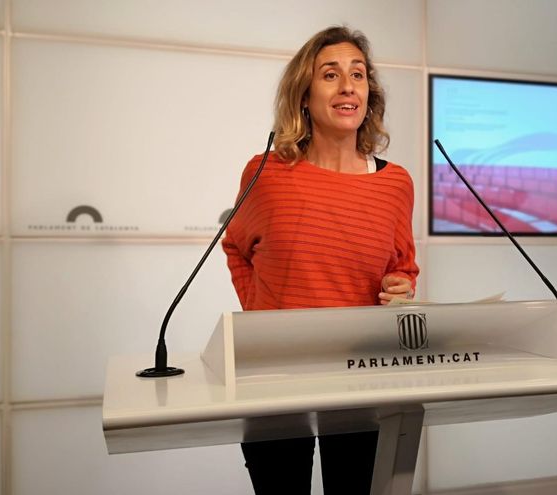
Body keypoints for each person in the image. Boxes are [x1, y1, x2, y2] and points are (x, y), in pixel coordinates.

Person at [221, 26, 420, 494]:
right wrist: (266, 315)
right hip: (274, 371)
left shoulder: (396, 183)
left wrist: (400, 287)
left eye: (358, 75)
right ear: (304, 96)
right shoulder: (266, 173)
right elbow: (235, 247)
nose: (348, 86)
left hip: (363, 375)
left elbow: (403, 268)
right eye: (330, 74)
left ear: (369, 95)